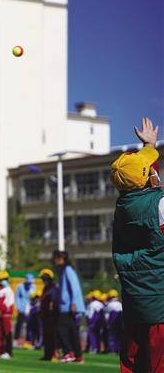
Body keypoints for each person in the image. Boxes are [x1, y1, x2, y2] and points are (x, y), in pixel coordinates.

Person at [111, 117, 163, 373]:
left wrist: (149, 147)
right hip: (160, 306)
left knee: (133, 365)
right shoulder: (159, 206)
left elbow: (139, 179)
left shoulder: (123, 208)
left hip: (134, 305)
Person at [53, 250, 85, 363]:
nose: (55, 260)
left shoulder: (67, 270)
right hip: (65, 305)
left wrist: (74, 302)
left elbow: (74, 287)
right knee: (73, 332)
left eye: (57, 258)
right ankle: (78, 355)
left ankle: (68, 352)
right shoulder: (63, 271)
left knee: (61, 330)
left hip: (68, 306)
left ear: (62, 259)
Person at [39, 268, 59, 361]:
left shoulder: (53, 288)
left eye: (46, 278)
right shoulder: (45, 288)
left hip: (52, 315)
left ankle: (53, 354)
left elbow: (53, 300)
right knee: (46, 335)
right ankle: (47, 354)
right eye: (43, 278)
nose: (44, 280)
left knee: (52, 336)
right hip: (45, 315)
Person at [0, 270, 15, 359]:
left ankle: (8, 352)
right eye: (0, 280)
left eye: (3, 279)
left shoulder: (8, 290)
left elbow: (8, 303)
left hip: (5, 315)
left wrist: (1, 310)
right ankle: (0, 351)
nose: (1, 281)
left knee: (7, 333)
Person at [15, 273, 36, 346]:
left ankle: (28, 340)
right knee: (19, 324)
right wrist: (19, 307)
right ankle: (16, 339)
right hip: (22, 308)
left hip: (30, 308)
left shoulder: (33, 286)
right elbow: (17, 297)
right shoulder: (20, 286)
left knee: (29, 325)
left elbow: (33, 297)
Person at [105, 289, 123, 354]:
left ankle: (112, 350)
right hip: (120, 322)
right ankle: (119, 349)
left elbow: (107, 315)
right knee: (119, 336)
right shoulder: (120, 304)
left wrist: (107, 323)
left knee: (112, 336)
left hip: (112, 322)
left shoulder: (110, 304)